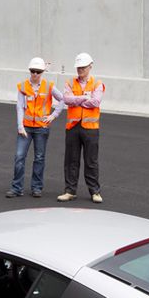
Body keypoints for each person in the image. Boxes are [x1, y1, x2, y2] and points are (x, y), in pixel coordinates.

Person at [7, 57, 64, 198]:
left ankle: (36, 188)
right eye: (33, 71)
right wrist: (20, 126)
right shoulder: (23, 86)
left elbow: (62, 99)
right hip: (25, 128)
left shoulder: (49, 86)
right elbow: (19, 107)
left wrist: (53, 115)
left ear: (42, 72)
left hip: (41, 128)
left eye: (38, 72)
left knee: (39, 158)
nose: (35, 74)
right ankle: (16, 188)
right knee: (19, 157)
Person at [58, 52, 105, 204]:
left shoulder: (97, 83)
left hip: (90, 128)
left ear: (90, 66)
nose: (80, 70)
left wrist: (77, 100)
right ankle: (70, 191)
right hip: (73, 127)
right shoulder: (70, 83)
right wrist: (85, 98)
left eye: (83, 67)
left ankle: (95, 191)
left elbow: (96, 102)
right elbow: (67, 99)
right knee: (71, 160)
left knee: (91, 161)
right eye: (78, 67)